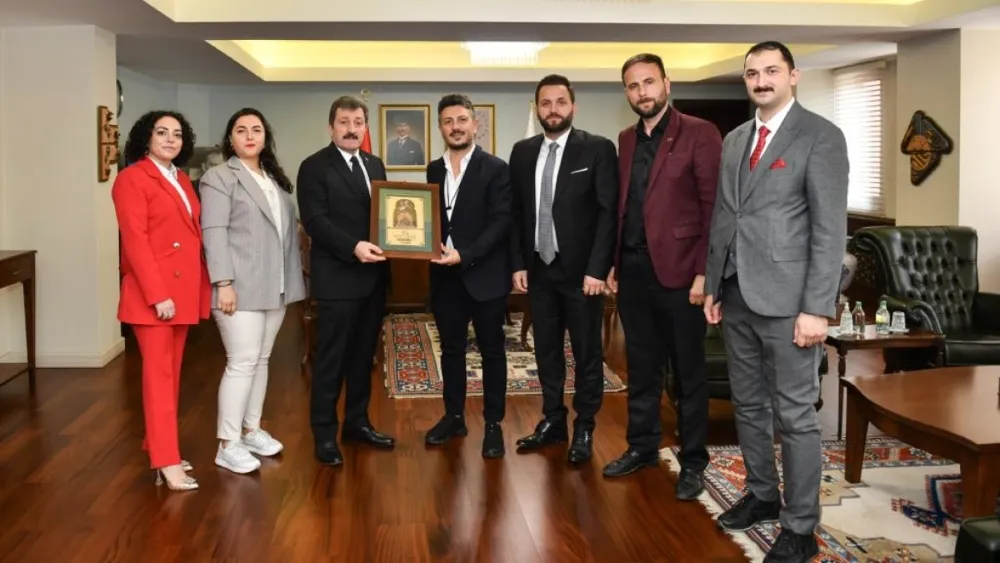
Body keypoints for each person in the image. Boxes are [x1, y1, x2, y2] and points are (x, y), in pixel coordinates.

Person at [703, 41, 848, 562]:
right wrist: (713, 283)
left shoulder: (820, 136)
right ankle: (763, 494)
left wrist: (818, 308)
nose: (761, 80)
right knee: (747, 405)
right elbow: (726, 215)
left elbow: (829, 231)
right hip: (736, 294)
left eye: (771, 71)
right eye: (752, 73)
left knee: (795, 415)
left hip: (791, 303)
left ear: (793, 75)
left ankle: (801, 526)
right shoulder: (735, 139)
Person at [602, 54, 721, 493]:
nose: (642, 92)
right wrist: (614, 262)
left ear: (667, 84)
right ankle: (642, 446)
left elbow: (713, 208)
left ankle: (694, 461)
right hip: (633, 271)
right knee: (642, 366)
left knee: (687, 373)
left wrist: (704, 273)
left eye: (649, 82)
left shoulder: (700, 133)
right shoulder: (625, 139)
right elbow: (626, 207)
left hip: (682, 275)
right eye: (633, 86)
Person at [509, 74, 619, 464]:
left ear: (573, 106)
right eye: (545, 103)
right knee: (546, 352)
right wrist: (518, 263)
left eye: (560, 102)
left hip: (582, 276)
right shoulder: (522, 152)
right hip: (539, 271)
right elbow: (517, 212)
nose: (552, 110)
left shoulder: (597, 149)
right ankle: (553, 420)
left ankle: (585, 426)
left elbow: (608, 213)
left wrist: (598, 269)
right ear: (536, 108)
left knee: (587, 354)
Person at [199, 108, 307, 474]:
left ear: (265, 138)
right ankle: (227, 444)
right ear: (230, 139)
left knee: (260, 360)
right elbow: (213, 233)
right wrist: (223, 283)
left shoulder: (272, 178)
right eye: (241, 130)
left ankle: (250, 430)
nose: (249, 136)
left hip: (274, 286)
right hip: (238, 287)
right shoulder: (219, 177)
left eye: (256, 130)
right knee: (242, 361)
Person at [111, 110, 211, 490]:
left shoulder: (180, 178)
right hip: (154, 296)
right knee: (159, 379)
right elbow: (135, 242)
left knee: (171, 377)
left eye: (177, 134)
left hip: (182, 291)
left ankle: (159, 446)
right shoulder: (132, 178)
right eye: (162, 132)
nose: (170, 139)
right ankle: (166, 460)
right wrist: (158, 296)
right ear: (146, 137)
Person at [296, 96, 395, 466]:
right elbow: (315, 221)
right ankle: (324, 433)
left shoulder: (374, 164)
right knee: (331, 360)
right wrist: (353, 247)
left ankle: (357, 423)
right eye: (344, 122)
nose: (352, 129)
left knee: (362, 358)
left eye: (358, 122)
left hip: (373, 279)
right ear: (331, 127)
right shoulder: (314, 167)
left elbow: (385, 216)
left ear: (365, 127)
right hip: (338, 279)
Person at [423, 93, 512, 458]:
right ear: (440, 128)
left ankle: (493, 425)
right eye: (448, 121)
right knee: (451, 350)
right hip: (444, 279)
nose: (455, 127)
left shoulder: (496, 168)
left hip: (485, 276)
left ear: (475, 125)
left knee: (492, 352)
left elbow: (501, 222)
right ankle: (454, 417)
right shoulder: (433, 169)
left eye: (462, 120)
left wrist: (466, 254)